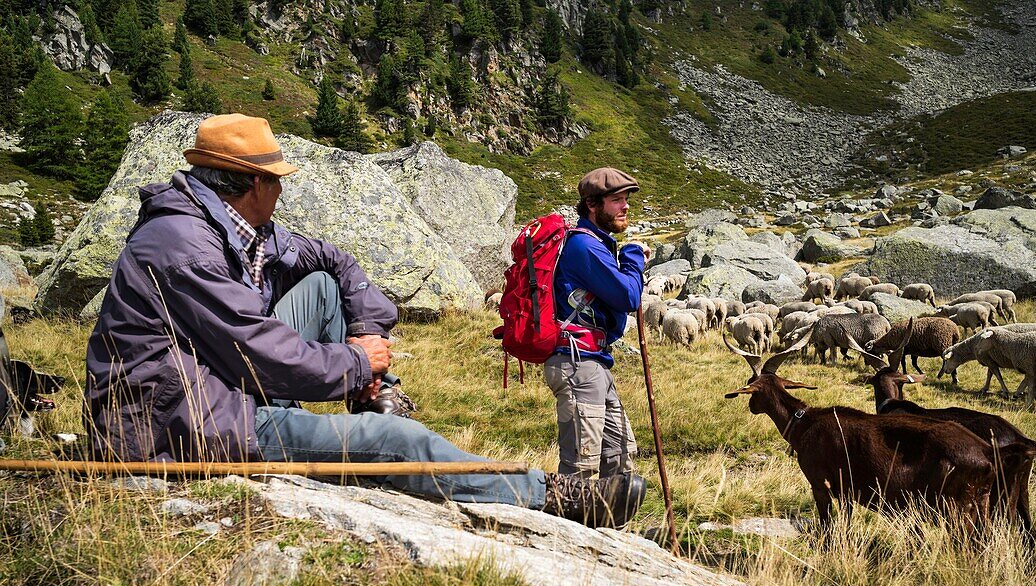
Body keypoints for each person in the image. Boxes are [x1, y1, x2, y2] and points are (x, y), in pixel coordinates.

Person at [84, 114, 645, 527]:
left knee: (327, 288)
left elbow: (332, 261)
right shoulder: (183, 244)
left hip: (215, 380)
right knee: (396, 441)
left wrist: (367, 337)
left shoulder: (226, 225)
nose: (281, 190)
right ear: (254, 184)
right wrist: (357, 362)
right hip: (183, 422)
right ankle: (551, 495)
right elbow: (258, 352)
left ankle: (376, 396)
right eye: (277, 180)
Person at [543, 168, 648, 479]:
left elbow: (613, 314)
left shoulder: (595, 244)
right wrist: (633, 257)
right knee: (582, 469)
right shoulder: (584, 247)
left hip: (593, 363)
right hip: (578, 365)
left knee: (619, 458)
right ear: (592, 204)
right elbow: (628, 295)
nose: (625, 207)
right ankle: (565, 526)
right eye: (617, 200)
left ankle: (609, 526)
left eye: (626, 200)